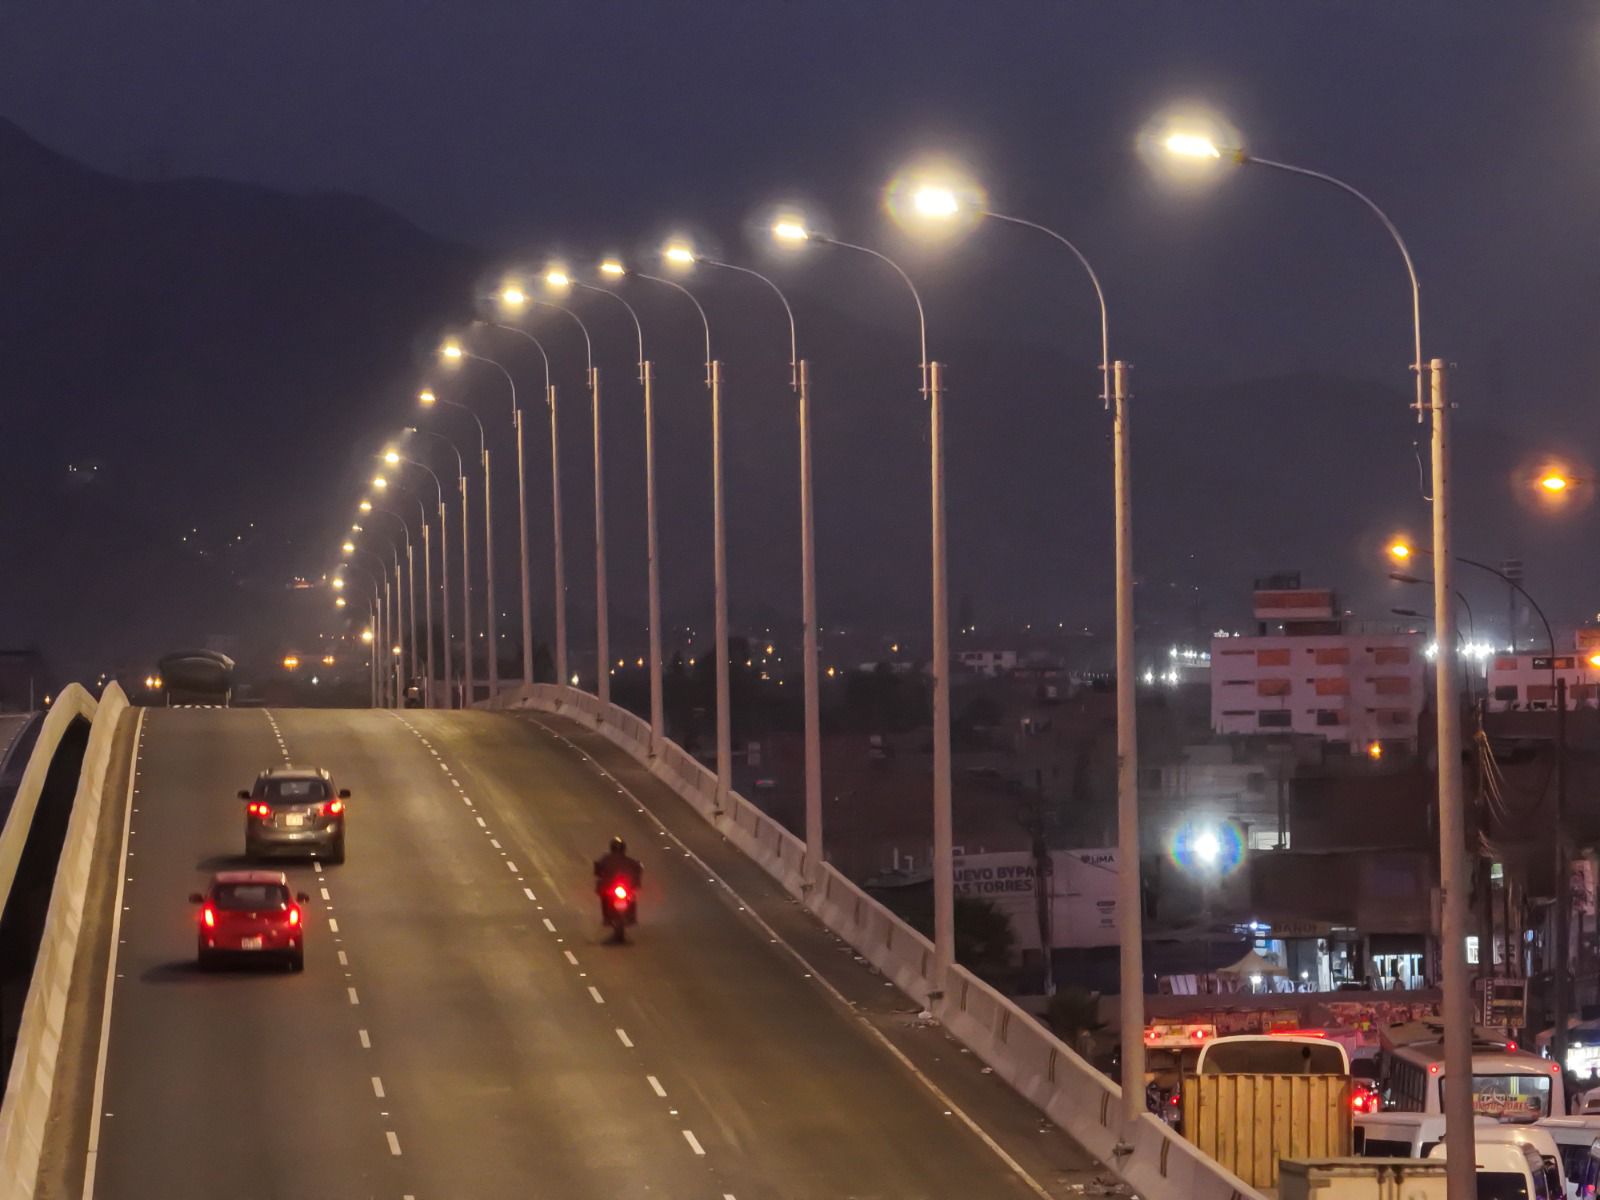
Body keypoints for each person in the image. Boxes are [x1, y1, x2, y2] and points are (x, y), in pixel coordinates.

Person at [594, 836, 642, 925]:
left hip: (622, 886)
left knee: (631, 897)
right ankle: (630, 917)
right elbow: (638, 870)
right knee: (606, 896)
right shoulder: (628, 860)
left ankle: (607, 918)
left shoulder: (606, 859)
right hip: (613, 886)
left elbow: (598, 870)